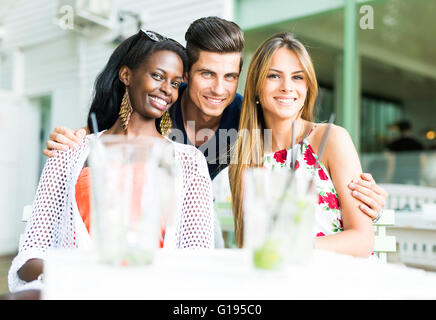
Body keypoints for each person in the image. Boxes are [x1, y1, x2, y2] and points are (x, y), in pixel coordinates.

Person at [42, 17, 386, 229]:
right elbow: (104, 138)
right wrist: (74, 137)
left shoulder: (249, 120)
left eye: (230, 76)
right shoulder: (157, 107)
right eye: (207, 74)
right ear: (186, 74)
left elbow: (297, 153)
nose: (219, 89)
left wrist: (364, 196)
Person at [8, 30, 215, 294]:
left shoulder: (189, 162)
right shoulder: (70, 151)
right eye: (158, 76)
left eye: (175, 83)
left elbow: (196, 258)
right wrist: (77, 276)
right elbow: (30, 256)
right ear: (126, 75)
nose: (167, 90)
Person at [229, 32, 387, 257]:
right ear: (255, 86)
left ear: (308, 87)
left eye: (297, 77)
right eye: (274, 76)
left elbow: (362, 240)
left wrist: (295, 247)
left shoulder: (331, 139)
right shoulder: (246, 156)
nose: (287, 87)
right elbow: (251, 246)